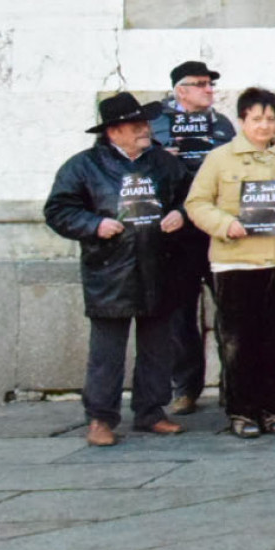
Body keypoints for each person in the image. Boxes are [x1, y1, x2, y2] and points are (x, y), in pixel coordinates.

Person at [45, 93, 193, 446]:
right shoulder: (82, 166)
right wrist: (94, 225)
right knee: (106, 352)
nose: (145, 129)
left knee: (158, 346)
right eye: (136, 125)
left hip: (160, 267)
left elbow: (191, 197)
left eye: (145, 123)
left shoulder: (165, 163)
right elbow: (58, 211)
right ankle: (99, 418)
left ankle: (151, 412)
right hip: (110, 271)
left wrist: (182, 214)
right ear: (114, 131)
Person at [183, 87, 275, 438]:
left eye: (270, 119)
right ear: (242, 120)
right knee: (239, 342)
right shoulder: (219, 158)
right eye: (256, 119)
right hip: (234, 263)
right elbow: (196, 204)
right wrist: (227, 225)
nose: (264, 126)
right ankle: (241, 412)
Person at [150, 59, 235, 416]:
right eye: (200, 84)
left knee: (230, 310)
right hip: (177, 232)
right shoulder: (156, 124)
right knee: (181, 315)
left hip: (217, 226)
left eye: (211, 83)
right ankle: (184, 388)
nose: (209, 89)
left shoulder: (222, 124)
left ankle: (234, 386)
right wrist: (161, 159)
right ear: (180, 90)